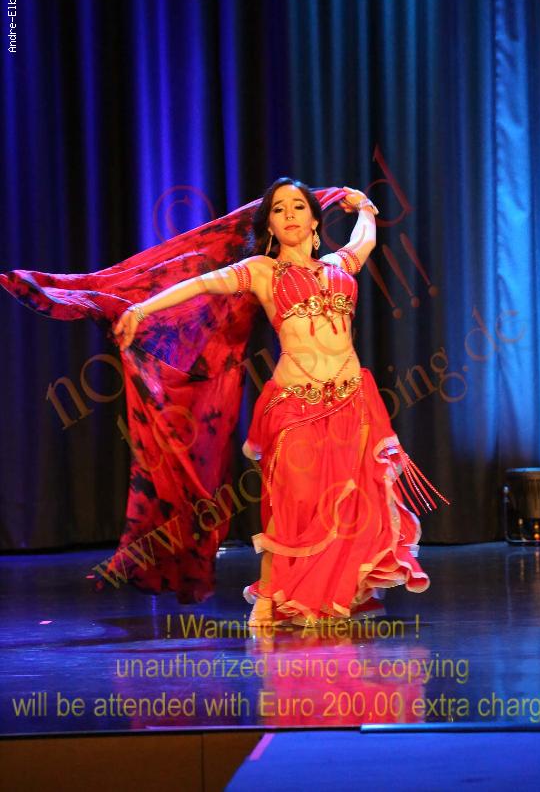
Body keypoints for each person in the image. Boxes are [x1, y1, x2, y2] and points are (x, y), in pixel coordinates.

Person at [114, 177, 448, 628]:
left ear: (315, 220)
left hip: (352, 399)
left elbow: (365, 241)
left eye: (298, 207)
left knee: (351, 503)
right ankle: (270, 595)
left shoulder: (339, 265)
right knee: (293, 499)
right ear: (269, 225)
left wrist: (365, 207)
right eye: (278, 209)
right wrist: (140, 310)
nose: (289, 214)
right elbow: (200, 285)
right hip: (294, 402)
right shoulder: (261, 270)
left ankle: (334, 592)